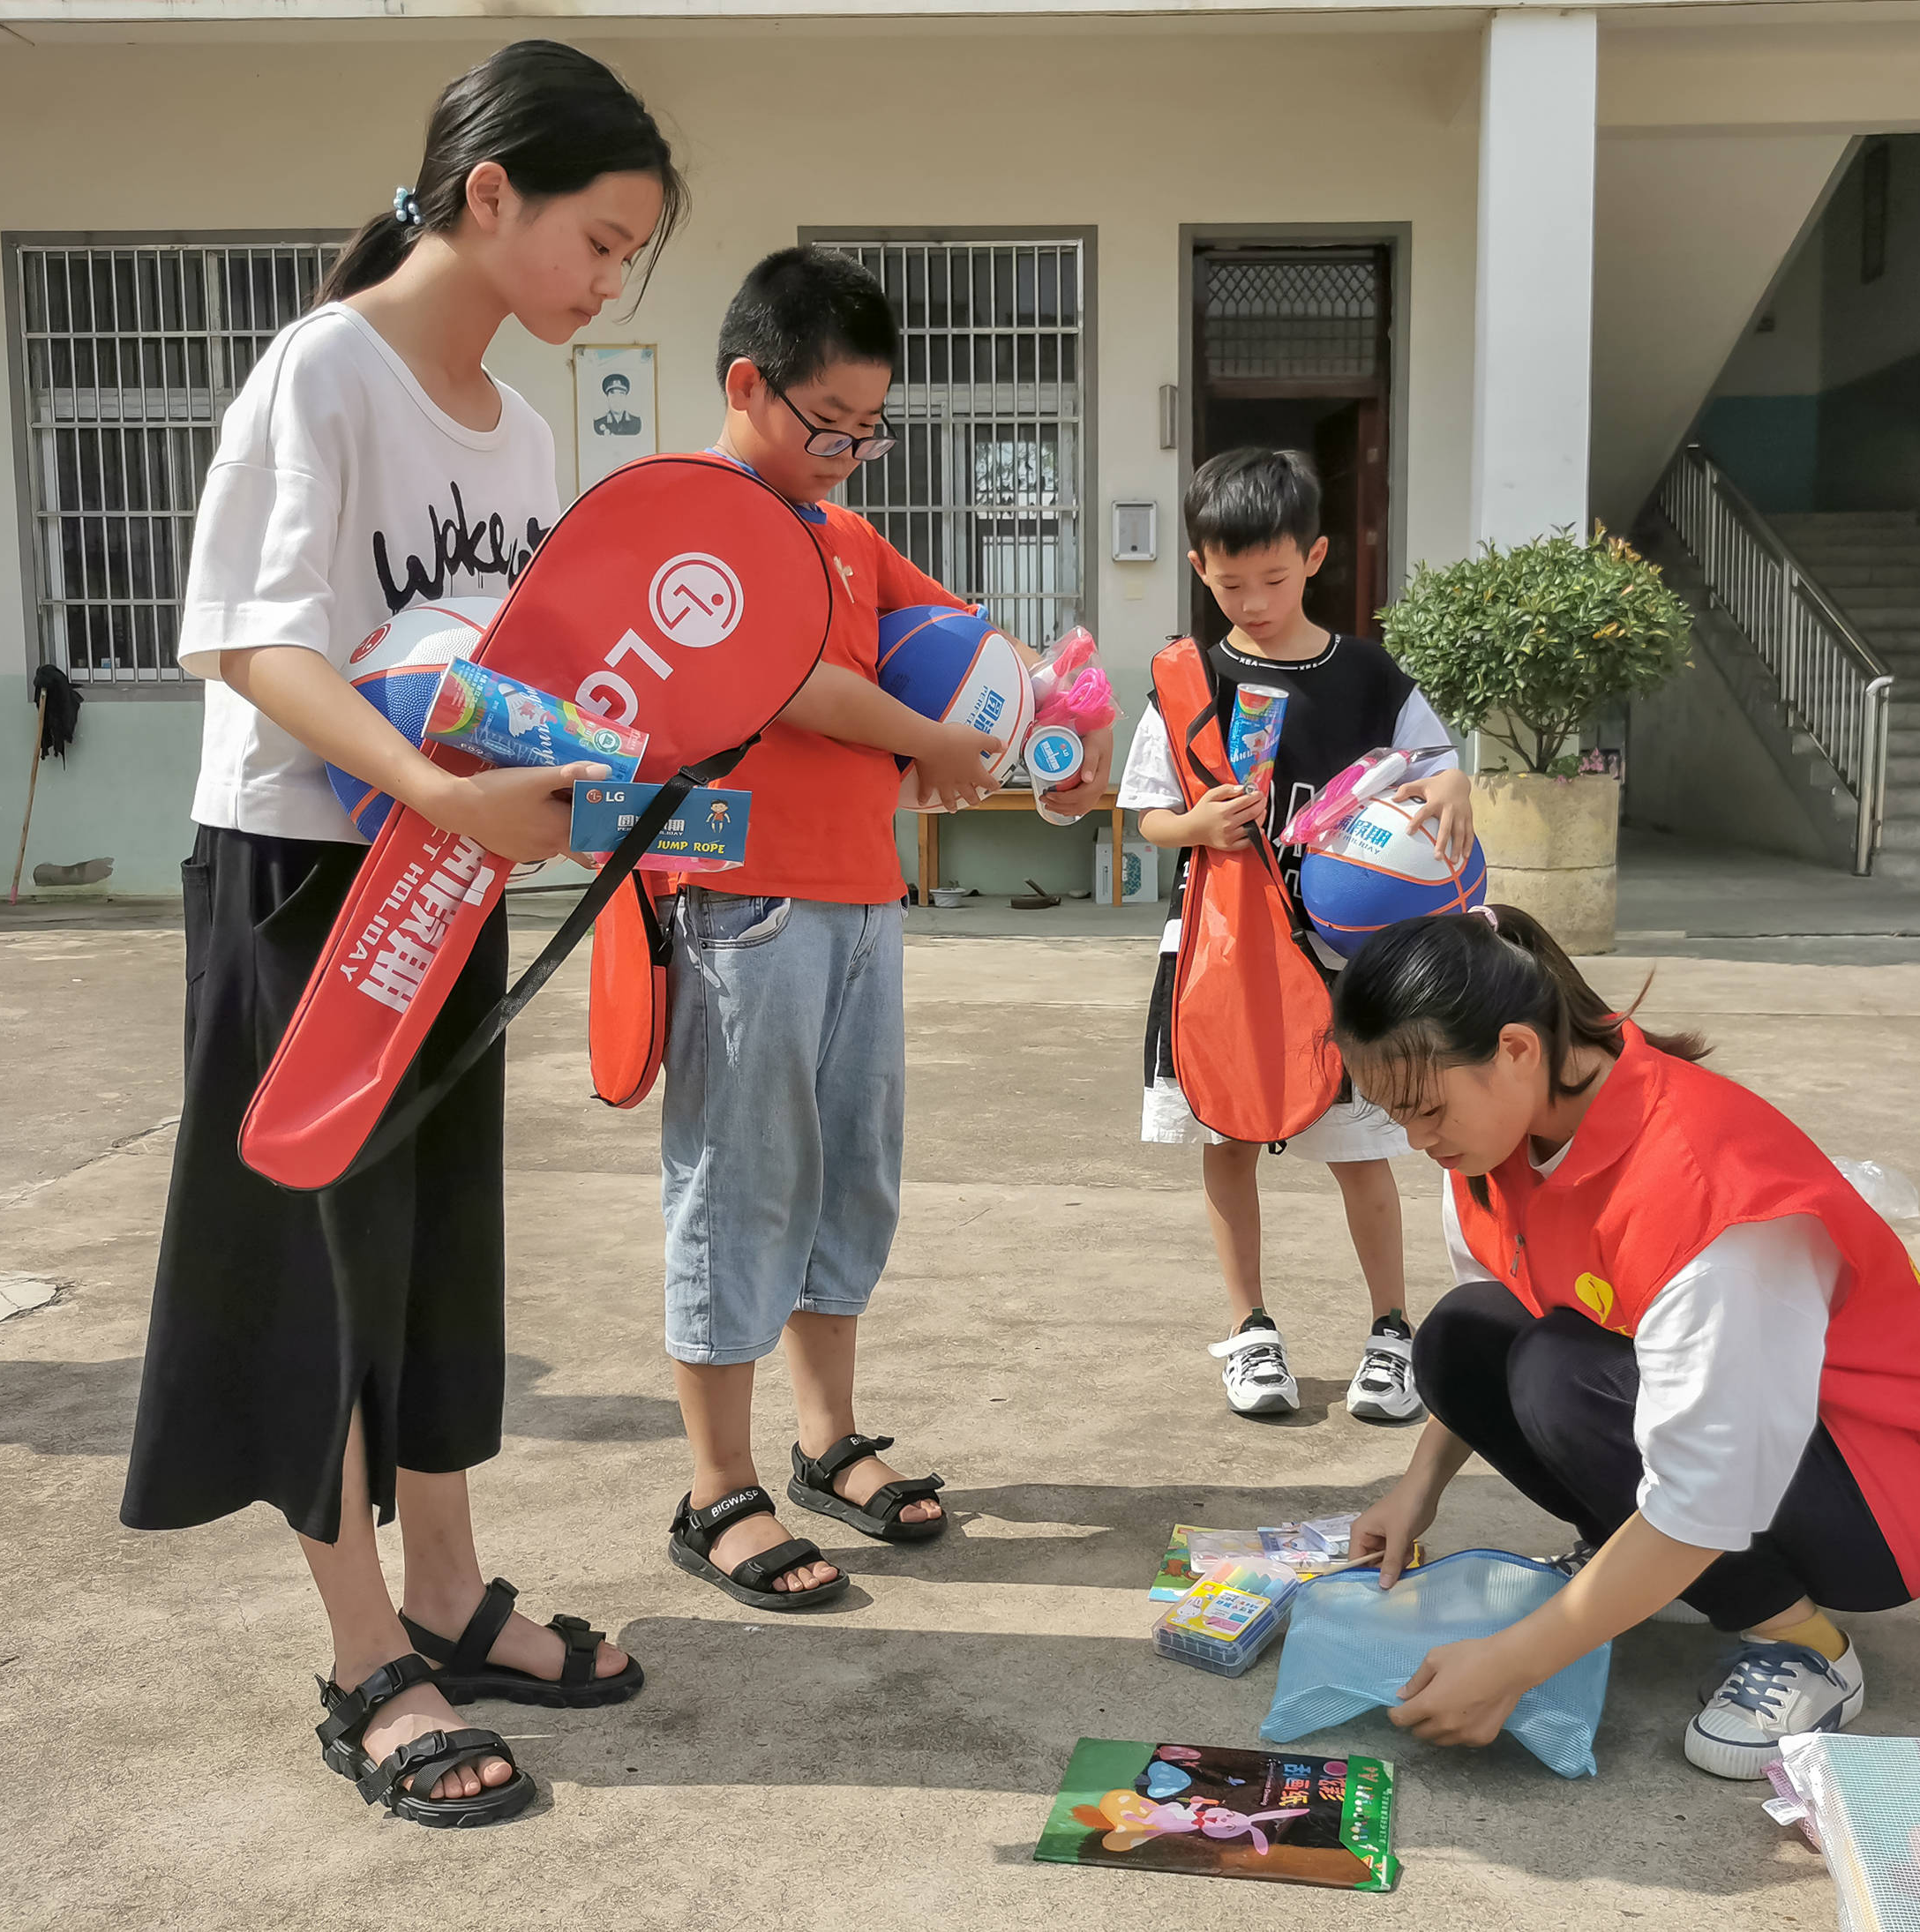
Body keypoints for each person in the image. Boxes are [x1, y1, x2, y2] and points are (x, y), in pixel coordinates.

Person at [120, 41, 686, 1828]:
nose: (611, 282)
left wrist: (565, 783)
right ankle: (367, 1653)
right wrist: (432, 797)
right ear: (491, 192)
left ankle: (449, 1592)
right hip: (303, 874)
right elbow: (251, 638)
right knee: (321, 1267)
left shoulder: (519, 432)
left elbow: (504, 672)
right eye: (602, 240)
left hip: (441, 882)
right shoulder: (325, 371)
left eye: (635, 257)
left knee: (439, 1245)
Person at [657, 246, 1115, 1610]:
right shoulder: (699, 520)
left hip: (861, 896)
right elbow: (792, 680)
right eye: (830, 424)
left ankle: (822, 1438)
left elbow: (970, 643)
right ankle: (714, 1487)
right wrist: (936, 739)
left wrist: (1057, 738)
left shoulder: (847, 535)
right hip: (740, 901)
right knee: (740, 1181)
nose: (853, 451)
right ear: (750, 384)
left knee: (849, 1171)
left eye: (872, 426)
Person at [1336, 906, 1920, 1778]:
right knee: (1463, 1338)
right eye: (1396, 1118)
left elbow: (1710, 1490)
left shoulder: (1703, 1191)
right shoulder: (1495, 1142)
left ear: (1516, 1050)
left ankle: (1805, 1647)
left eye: (1426, 1109)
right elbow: (1501, 1306)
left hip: (1884, 1494)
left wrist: (1515, 1662)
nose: (1420, 1142)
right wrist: (1414, 1492)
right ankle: (1630, 1564)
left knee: (1555, 1372)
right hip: (1754, 1437)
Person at [1116, 448, 1473, 1425]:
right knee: (1226, 1140)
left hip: (1345, 966)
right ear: (1198, 567)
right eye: (1231, 583)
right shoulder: (1192, 681)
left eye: (1273, 578)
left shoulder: (1368, 676)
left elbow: (1439, 767)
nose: (1254, 599)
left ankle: (1392, 1333)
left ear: (1313, 556)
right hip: (1221, 960)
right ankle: (1251, 1332)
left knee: (1362, 1148)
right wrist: (1196, 827)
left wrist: (1449, 786)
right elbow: (1147, 811)